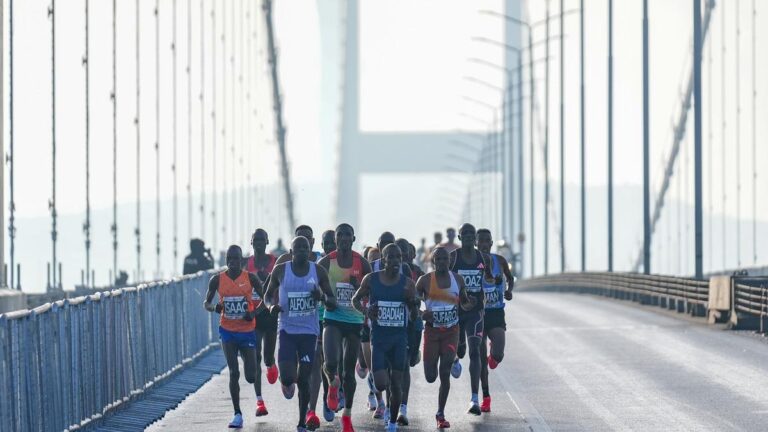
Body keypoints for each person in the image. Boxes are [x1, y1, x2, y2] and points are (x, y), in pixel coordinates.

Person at [265, 236, 337, 432]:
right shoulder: (281, 270)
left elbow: (332, 301)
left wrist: (321, 297)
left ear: (310, 250)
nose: (302, 251)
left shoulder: (318, 271)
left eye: (306, 248)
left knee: (304, 379)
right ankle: (286, 380)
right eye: (298, 248)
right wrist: (271, 306)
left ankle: (301, 422)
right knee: (289, 379)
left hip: (309, 332)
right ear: (291, 251)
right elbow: (268, 295)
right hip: (287, 330)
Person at [353, 243, 418, 432]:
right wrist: (366, 311)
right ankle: (386, 394)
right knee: (381, 384)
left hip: (399, 340)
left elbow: (414, 317)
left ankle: (392, 423)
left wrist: (412, 304)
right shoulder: (371, 279)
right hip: (379, 340)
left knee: (396, 384)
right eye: (391, 257)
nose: (396, 261)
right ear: (383, 259)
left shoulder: (408, 284)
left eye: (399, 257)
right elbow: (355, 300)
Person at [317, 223, 372, 432]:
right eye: (340, 235)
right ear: (336, 239)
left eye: (348, 235)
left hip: (354, 321)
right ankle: (332, 382)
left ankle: (347, 415)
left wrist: (359, 288)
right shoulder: (326, 262)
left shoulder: (361, 262)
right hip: (332, 318)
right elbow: (315, 286)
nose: (344, 238)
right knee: (331, 362)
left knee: (349, 372)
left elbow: (372, 289)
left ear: (353, 238)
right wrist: (324, 297)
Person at [203, 245, 263, 429]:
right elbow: (206, 303)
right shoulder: (217, 279)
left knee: (251, 376)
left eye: (236, 258)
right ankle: (237, 414)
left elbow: (266, 300)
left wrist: (253, 313)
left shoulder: (251, 278)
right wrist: (215, 308)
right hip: (227, 331)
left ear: (241, 260)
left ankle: (247, 359)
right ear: (226, 260)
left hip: (247, 331)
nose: (232, 262)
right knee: (234, 372)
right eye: (229, 258)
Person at [417, 246, 475, 429]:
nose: (442, 262)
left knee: (444, 373)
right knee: (430, 377)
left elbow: (464, 304)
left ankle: (440, 414)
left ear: (450, 262)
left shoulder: (458, 280)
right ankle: (455, 358)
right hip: (432, 332)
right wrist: (422, 314)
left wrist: (470, 304)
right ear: (433, 261)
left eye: (445, 259)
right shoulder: (424, 281)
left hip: (451, 331)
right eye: (438, 259)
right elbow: (412, 306)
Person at [449, 223, 498, 415]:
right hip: (457, 312)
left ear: (475, 238)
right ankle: (454, 359)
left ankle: (474, 398)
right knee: (461, 351)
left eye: (472, 233)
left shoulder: (483, 258)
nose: (469, 236)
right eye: (465, 233)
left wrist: (495, 281)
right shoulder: (453, 258)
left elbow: (489, 278)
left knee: (475, 351)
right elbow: (445, 280)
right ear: (460, 237)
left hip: (476, 312)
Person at [476, 229, 514, 413]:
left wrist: (509, 291)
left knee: (498, 355)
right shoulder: (472, 264)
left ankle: (493, 356)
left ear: (491, 243)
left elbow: (510, 278)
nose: (484, 244)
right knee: (481, 361)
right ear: (476, 243)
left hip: (496, 313)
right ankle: (486, 397)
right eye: (481, 241)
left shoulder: (500, 261)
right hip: (478, 314)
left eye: (487, 241)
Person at [243, 229, 277, 417]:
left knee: (267, 357)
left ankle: (271, 365)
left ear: (267, 242)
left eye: (261, 240)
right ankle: (259, 401)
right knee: (255, 356)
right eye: (255, 240)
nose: (258, 243)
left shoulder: (275, 262)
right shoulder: (246, 264)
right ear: (251, 242)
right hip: (253, 315)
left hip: (269, 314)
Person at [396, 240, 425, 426]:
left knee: (408, 362)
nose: (403, 255)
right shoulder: (388, 271)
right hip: (394, 324)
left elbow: (423, 294)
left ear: (411, 254)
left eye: (405, 252)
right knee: (399, 366)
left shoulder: (417, 272)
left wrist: (414, 298)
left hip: (413, 323)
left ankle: (402, 407)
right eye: (399, 252)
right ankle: (397, 407)